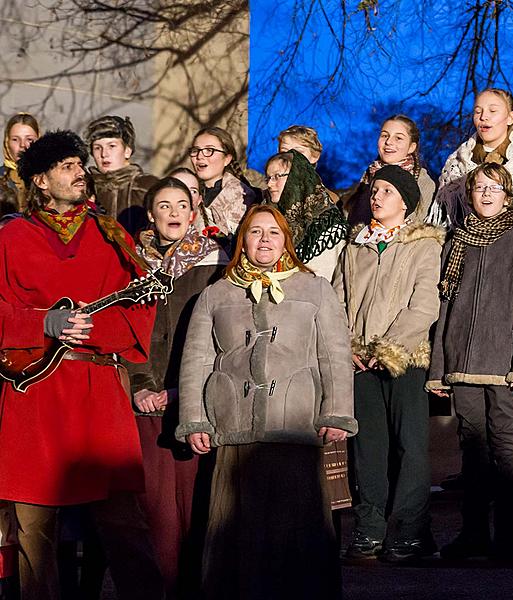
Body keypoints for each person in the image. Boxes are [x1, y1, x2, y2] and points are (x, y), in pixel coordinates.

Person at [0, 130, 163, 599]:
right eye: (68, 166)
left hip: (97, 389)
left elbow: (140, 309)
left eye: (80, 164)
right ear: (41, 181)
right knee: (35, 527)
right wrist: (42, 324)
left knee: (125, 523)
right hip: (35, 392)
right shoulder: (11, 236)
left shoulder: (111, 234)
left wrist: (101, 331)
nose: (80, 172)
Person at [177, 204, 355, 599]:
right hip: (233, 424)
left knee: (300, 530)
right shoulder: (215, 294)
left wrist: (338, 412)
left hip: (294, 424)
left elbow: (334, 355)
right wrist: (194, 419)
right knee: (234, 531)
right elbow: (197, 360)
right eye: (255, 232)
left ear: (286, 241)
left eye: (273, 233)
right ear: (243, 240)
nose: (264, 240)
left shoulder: (315, 289)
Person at [426, 162, 513, 560]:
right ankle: (473, 532)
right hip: (462, 363)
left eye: (496, 188)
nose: (487, 194)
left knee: (505, 452)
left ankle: (509, 537)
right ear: (469, 195)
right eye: (480, 188)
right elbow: (445, 309)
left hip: (504, 366)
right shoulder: (457, 241)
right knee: (472, 450)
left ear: (508, 195)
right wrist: (440, 368)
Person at [333, 165, 444, 562]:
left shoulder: (423, 245)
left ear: (406, 202)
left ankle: (410, 530)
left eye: (386, 191)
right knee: (368, 449)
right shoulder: (355, 248)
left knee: (410, 447)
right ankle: (369, 527)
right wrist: (349, 348)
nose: (376, 197)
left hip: (404, 361)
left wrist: (386, 349)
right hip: (360, 362)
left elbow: (423, 306)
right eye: (374, 190)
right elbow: (339, 304)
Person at [126, 177, 229, 597]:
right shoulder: (131, 263)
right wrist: (138, 385)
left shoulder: (215, 263)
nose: (173, 213)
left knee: (195, 510)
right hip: (143, 402)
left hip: (193, 401)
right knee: (155, 512)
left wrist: (181, 391)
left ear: (193, 212)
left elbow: (218, 337)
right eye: (163, 206)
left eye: (181, 205)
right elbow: (125, 334)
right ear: (151, 215)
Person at [426, 88, 513, 232]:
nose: (483, 117)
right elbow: (445, 221)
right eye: (478, 111)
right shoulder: (456, 163)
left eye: (492, 111)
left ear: (510, 118)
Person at [265, 150, 348, 281]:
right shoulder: (267, 216)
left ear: (296, 177)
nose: (269, 184)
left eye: (276, 176)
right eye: (268, 178)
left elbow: (326, 279)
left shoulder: (326, 224)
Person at [342, 115, 436, 226]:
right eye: (384, 135)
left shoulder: (422, 182)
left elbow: (418, 227)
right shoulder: (367, 179)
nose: (389, 142)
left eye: (398, 138)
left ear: (411, 147)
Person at [84, 115, 158, 236]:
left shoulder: (148, 186)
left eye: (111, 146)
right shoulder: (84, 187)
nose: (104, 154)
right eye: (97, 148)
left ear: (127, 151)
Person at [189, 126, 260, 237]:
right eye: (195, 150)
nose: (200, 156)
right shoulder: (184, 191)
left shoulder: (244, 197)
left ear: (227, 159)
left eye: (209, 150)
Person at [1, 113, 40, 214]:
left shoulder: (50, 178)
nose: (22, 145)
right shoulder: (1, 177)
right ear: (7, 142)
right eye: (15, 139)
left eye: (29, 139)